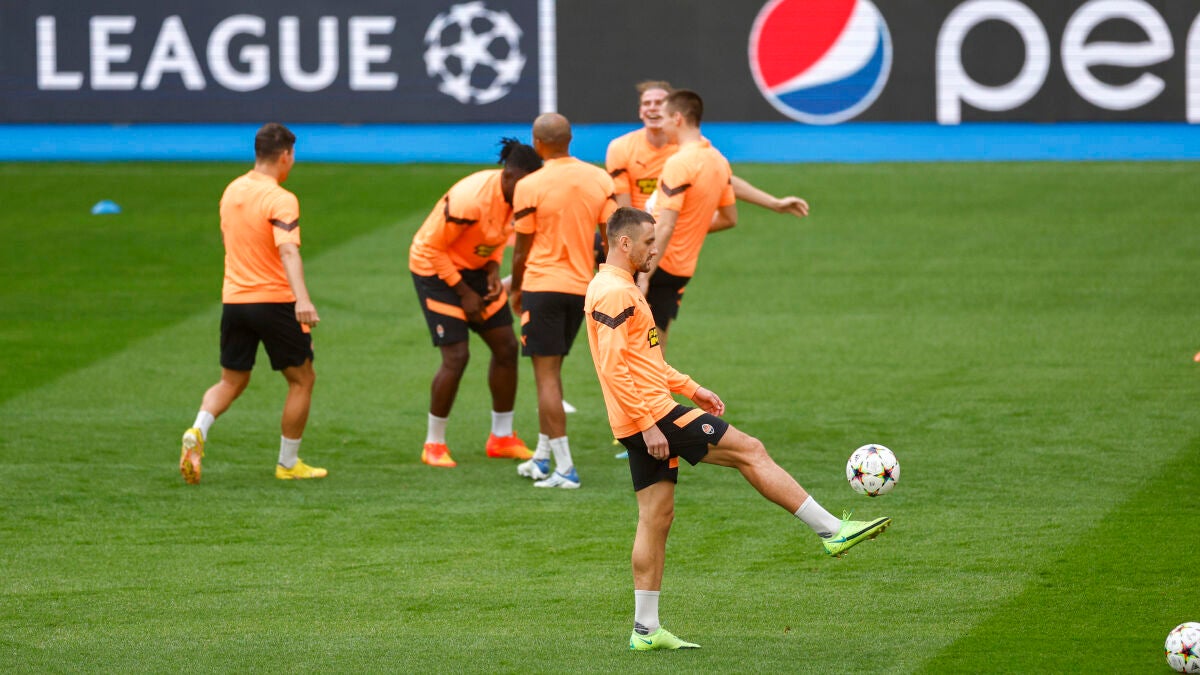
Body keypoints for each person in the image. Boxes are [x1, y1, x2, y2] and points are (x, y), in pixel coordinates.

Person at [585, 207, 891, 650]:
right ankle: (831, 531)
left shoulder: (616, 287)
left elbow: (645, 361)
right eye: (649, 242)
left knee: (656, 517)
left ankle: (645, 631)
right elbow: (613, 368)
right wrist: (648, 424)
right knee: (750, 450)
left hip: (644, 415)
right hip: (652, 416)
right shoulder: (615, 293)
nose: (656, 250)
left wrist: (693, 388)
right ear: (625, 243)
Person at [180, 122, 326, 483]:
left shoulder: (232, 190)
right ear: (285, 155)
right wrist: (303, 300)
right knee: (302, 379)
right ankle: (288, 464)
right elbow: (288, 250)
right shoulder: (280, 198)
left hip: (234, 301)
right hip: (274, 300)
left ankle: (198, 429)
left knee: (231, 381)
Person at [409, 139, 544, 468]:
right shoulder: (469, 199)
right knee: (457, 356)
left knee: (506, 347)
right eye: (526, 184)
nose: (531, 192)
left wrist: (493, 268)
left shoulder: (520, 198)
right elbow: (430, 248)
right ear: (508, 176)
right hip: (434, 271)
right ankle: (433, 444)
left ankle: (501, 438)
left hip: (475, 270)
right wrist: (463, 292)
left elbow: (494, 238)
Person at [509, 113, 618, 489]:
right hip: (580, 290)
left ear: (537, 144)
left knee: (546, 379)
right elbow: (609, 240)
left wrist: (516, 289)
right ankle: (542, 458)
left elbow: (521, 250)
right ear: (570, 139)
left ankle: (565, 468)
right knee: (552, 376)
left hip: (541, 288)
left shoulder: (529, 185)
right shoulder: (599, 179)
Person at [606, 80, 811, 215]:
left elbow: (724, 179)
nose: (652, 108)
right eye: (647, 103)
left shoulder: (692, 148)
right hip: (640, 235)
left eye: (659, 103)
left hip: (673, 231)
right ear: (640, 111)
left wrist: (774, 203)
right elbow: (624, 212)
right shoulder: (621, 148)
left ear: (672, 111)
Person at [638, 89, 736, 352]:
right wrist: (690, 229)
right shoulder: (718, 161)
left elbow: (666, 224)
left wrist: (645, 274)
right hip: (681, 270)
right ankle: (656, 377)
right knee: (655, 341)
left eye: (664, 117)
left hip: (656, 265)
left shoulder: (679, 163)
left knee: (635, 344)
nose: (661, 124)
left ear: (678, 118)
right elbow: (729, 218)